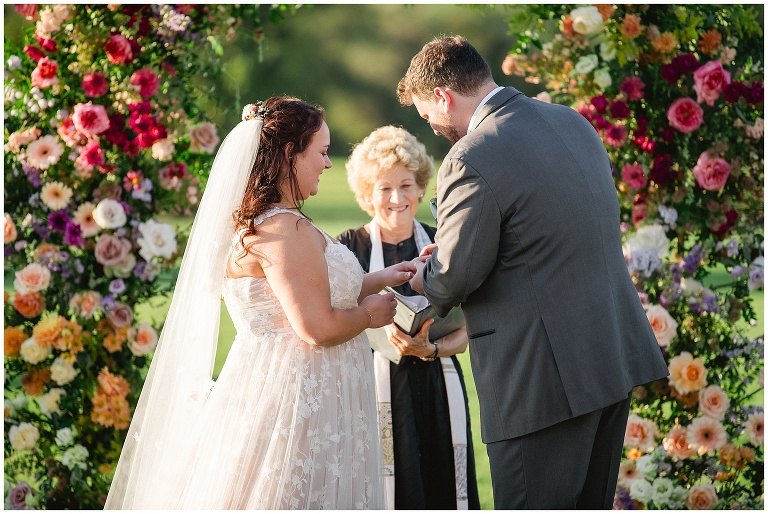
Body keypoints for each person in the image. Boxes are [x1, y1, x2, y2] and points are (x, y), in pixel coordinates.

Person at [105, 97, 418, 509]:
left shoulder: (269, 222)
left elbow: (309, 292)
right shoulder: (284, 230)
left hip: (285, 388)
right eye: (321, 152)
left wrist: (387, 277)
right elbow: (317, 327)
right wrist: (368, 315)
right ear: (290, 153)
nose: (328, 164)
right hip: (298, 401)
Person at [398, 36, 670, 509]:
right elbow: (547, 232)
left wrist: (427, 276)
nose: (434, 127)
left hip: (539, 383)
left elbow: (454, 277)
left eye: (427, 115)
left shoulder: (470, 155)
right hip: (608, 360)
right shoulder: (571, 122)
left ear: (442, 96)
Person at [337, 125, 480, 510]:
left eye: (406, 186)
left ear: (420, 188)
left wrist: (429, 348)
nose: (397, 198)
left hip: (439, 386)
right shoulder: (347, 249)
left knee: (443, 485)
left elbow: (471, 325)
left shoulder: (444, 242)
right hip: (373, 389)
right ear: (367, 194)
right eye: (384, 188)